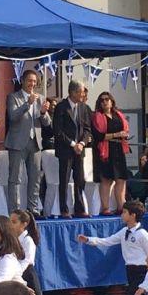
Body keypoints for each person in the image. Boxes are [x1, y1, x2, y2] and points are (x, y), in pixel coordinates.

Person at [6, 70, 50, 215]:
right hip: (17, 143)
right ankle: (15, 210)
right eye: (29, 81)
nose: (32, 84)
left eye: (34, 81)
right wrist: (27, 104)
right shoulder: (13, 97)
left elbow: (47, 123)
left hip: (35, 142)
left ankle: (33, 208)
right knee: (15, 178)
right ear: (23, 81)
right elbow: (12, 116)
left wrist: (43, 112)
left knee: (35, 177)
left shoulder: (40, 97)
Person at [52, 80, 91, 218]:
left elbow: (87, 129)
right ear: (73, 92)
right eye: (81, 91)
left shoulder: (84, 108)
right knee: (64, 179)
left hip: (80, 150)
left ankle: (79, 208)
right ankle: (64, 209)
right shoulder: (61, 107)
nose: (83, 94)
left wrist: (81, 143)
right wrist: (72, 144)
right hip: (65, 149)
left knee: (79, 179)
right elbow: (57, 130)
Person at [91, 90, 130, 215]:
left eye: (106, 99)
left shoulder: (118, 114)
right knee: (106, 180)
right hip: (105, 151)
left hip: (119, 149)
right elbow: (98, 135)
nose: (104, 102)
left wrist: (124, 135)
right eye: (101, 100)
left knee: (120, 179)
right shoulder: (98, 116)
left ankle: (120, 207)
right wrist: (116, 135)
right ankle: (106, 208)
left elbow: (125, 129)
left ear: (112, 101)